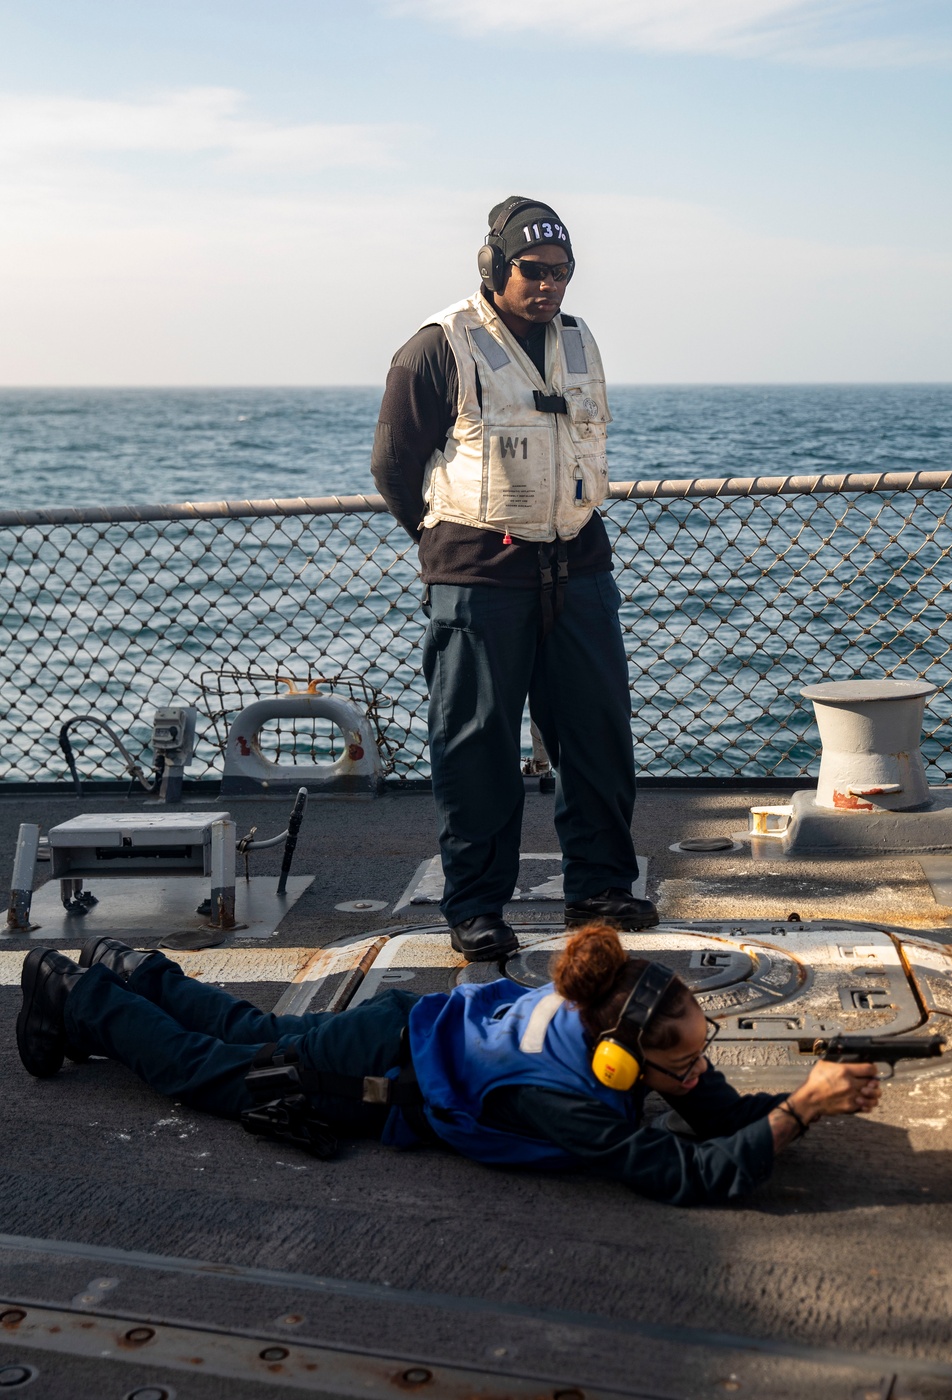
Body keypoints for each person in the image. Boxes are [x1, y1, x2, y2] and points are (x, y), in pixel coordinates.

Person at [16, 929, 881, 1207]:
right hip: (371, 1073)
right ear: (619, 1062)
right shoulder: (559, 1096)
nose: (699, 1070)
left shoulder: (610, 1020)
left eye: (700, 1049)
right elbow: (684, 1176)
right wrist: (798, 1113)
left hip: (404, 1029)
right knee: (202, 1070)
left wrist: (801, 1103)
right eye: (683, 1059)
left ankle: (130, 970)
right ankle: (71, 989)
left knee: (254, 1031)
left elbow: (719, 1120)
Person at [371, 196, 657, 963]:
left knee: (598, 738)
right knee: (475, 749)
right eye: (534, 271)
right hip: (479, 580)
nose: (550, 285)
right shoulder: (437, 347)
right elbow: (393, 466)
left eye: (563, 272)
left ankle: (600, 887)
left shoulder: (580, 342)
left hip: (580, 570)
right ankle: (475, 906)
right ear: (494, 267)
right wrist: (448, 547)